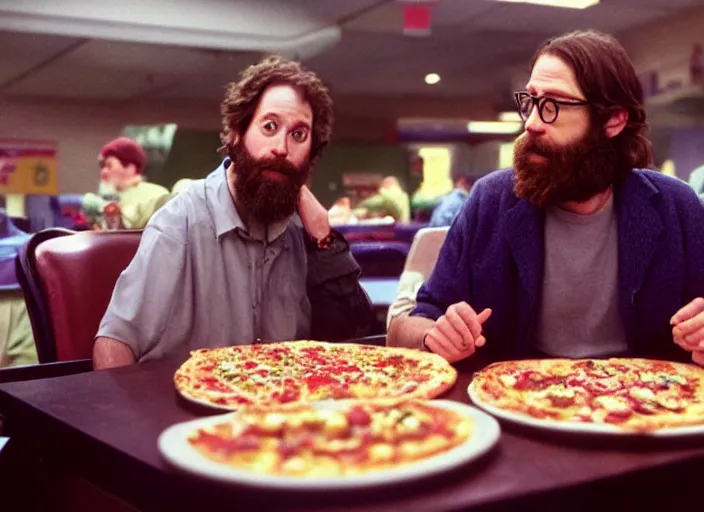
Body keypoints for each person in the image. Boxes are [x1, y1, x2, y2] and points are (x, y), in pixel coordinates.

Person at [387, 30, 704, 367]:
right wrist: (432, 335)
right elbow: (409, 325)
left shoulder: (676, 207)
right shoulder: (490, 201)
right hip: (518, 398)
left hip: (646, 406)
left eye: (553, 105)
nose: (532, 124)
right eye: (531, 102)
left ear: (613, 120)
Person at [94, 56, 373, 369]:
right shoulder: (181, 221)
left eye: (298, 135)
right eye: (269, 127)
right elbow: (114, 343)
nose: (281, 147)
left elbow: (355, 343)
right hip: (184, 408)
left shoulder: (305, 231)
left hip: (283, 409)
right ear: (237, 132)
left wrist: (325, 239)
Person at [82, 137, 171, 229]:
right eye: (102, 167)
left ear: (130, 167)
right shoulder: (109, 198)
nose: (103, 172)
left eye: (109, 165)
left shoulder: (155, 193)